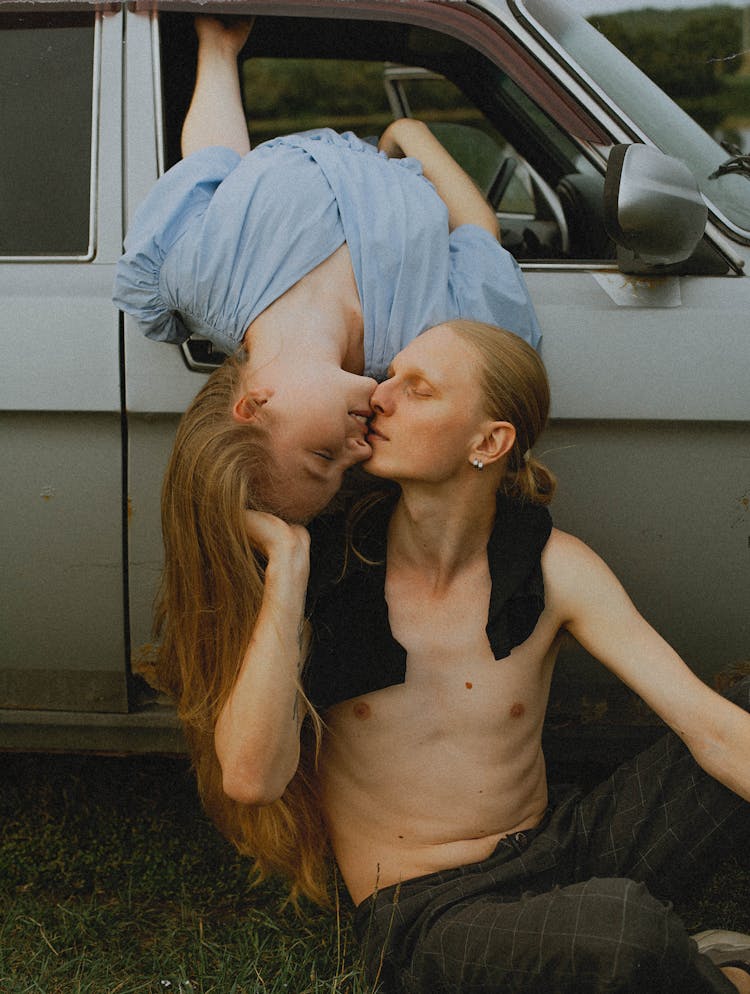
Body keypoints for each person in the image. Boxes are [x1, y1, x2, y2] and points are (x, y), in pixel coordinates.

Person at [209, 319, 750, 994]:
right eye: (391, 376)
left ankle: (640, 959)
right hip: (431, 912)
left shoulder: (550, 566)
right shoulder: (334, 568)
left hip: (565, 848)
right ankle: (716, 974)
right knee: (621, 931)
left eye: (419, 389)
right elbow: (250, 779)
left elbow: (711, 728)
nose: (379, 397)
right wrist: (287, 567)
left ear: (488, 442)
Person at [113, 16, 542, 521]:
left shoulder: (198, 277)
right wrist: (410, 132)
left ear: (254, 405)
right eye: (345, 468)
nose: (361, 453)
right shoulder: (426, 341)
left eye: (323, 457)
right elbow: (477, 232)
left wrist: (218, 47)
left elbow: (214, 163)